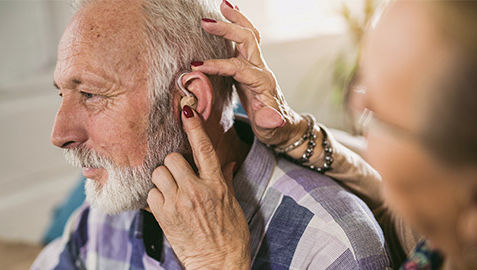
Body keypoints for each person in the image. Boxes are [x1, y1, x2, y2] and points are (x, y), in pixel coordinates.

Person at [31, 0, 392, 269]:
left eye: (91, 94)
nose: (59, 133)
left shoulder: (329, 245)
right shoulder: (103, 212)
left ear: (191, 98)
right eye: (62, 94)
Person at [148, 0, 477, 269]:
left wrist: (218, 264)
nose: (356, 104)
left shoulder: (336, 243)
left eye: (372, 114)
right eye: (359, 83)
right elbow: (400, 215)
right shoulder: (441, 241)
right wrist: (294, 132)